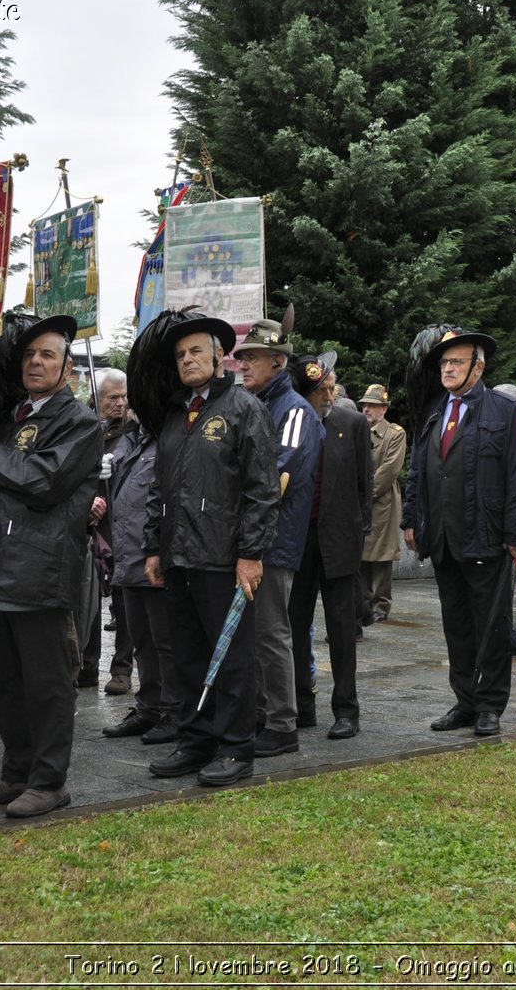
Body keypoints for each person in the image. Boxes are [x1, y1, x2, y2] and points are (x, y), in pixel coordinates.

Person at [0, 314, 102, 818]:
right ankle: (16, 772)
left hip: (41, 572)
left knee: (44, 684)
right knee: (4, 684)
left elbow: (45, 481)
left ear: (66, 368)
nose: (35, 362)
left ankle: (49, 780)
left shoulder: (80, 421)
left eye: (47, 355)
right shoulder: (15, 416)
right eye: (29, 355)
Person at [142, 314, 278, 788]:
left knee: (233, 658)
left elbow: (263, 488)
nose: (188, 360)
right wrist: (153, 547)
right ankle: (195, 739)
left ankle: (236, 747)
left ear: (220, 356)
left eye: (196, 351)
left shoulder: (244, 408)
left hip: (224, 558)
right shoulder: (177, 416)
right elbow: (160, 488)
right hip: (178, 557)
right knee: (188, 656)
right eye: (181, 355)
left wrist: (251, 552)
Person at [402, 327, 516, 737]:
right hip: (441, 536)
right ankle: (465, 701)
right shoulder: (435, 410)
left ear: (479, 367)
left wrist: (515, 534)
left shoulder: (502, 410)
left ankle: (491, 704)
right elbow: (418, 469)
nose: (448, 369)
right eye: (444, 362)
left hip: (486, 536)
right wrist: (411, 519)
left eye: (456, 362)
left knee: (490, 625)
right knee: (456, 624)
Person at [232, 316, 323, 758]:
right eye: (241, 357)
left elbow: (279, 476)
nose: (242, 365)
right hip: (255, 536)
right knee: (254, 634)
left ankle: (283, 724)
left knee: (271, 633)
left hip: (273, 540)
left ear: (276, 361)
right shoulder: (256, 404)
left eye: (251, 358)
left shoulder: (292, 411)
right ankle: (261, 714)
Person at [286, 353, 372, 739]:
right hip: (296, 541)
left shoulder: (350, 423)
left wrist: (357, 536)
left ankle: (346, 711)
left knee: (341, 630)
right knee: (293, 626)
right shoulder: (290, 422)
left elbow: (363, 487)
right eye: (321, 389)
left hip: (338, 541)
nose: (329, 394)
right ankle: (302, 706)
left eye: (331, 386)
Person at [99, 404, 179, 746]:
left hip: (153, 558)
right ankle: (149, 706)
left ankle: (174, 712)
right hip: (128, 557)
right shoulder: (133, 439)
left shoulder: (168, 439)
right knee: (143, 641)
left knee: (166, 642)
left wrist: (157, 550)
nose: (131, 406)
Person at [92, 368, 136, 696]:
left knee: (123, 602)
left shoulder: (135, 431)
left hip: (124, 524)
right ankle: (86, 663)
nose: (119, 404)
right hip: (93, 524)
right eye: (112, 398)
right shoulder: (87, 430)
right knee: (89, 597)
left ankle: (122, 669)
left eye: (123, 397)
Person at [358, 383, 405, 626]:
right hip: (361, 502)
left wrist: (364, 494)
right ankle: (364, 602)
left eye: (372, 405)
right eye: (365, 405)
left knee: (382, 557)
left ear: (383, 409)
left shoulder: (395, 434)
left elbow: (389, 471)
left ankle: (381, 604)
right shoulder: (358, 430)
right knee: (362, 554)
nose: (367, 409)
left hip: (382, 502)